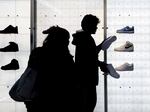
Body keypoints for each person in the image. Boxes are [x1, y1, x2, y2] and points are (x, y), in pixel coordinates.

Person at [24, 26, 76, 112]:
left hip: (37, 99)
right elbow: (71, 80)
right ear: (61, 40)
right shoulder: (65, 58)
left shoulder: (37, 52)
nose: (68, 42)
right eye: (66, 39)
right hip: (60, 100)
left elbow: (30, 74)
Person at [72, 14, 107, 112]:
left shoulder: (83, 37)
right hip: (86, 79)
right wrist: (101, 63)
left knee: (87, 105)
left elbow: (88, 56)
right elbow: (89, 58)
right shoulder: (86, 38)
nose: (96, 27)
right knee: (88, 105)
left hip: (84, 79)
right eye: (95, 25)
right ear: (88, 25)